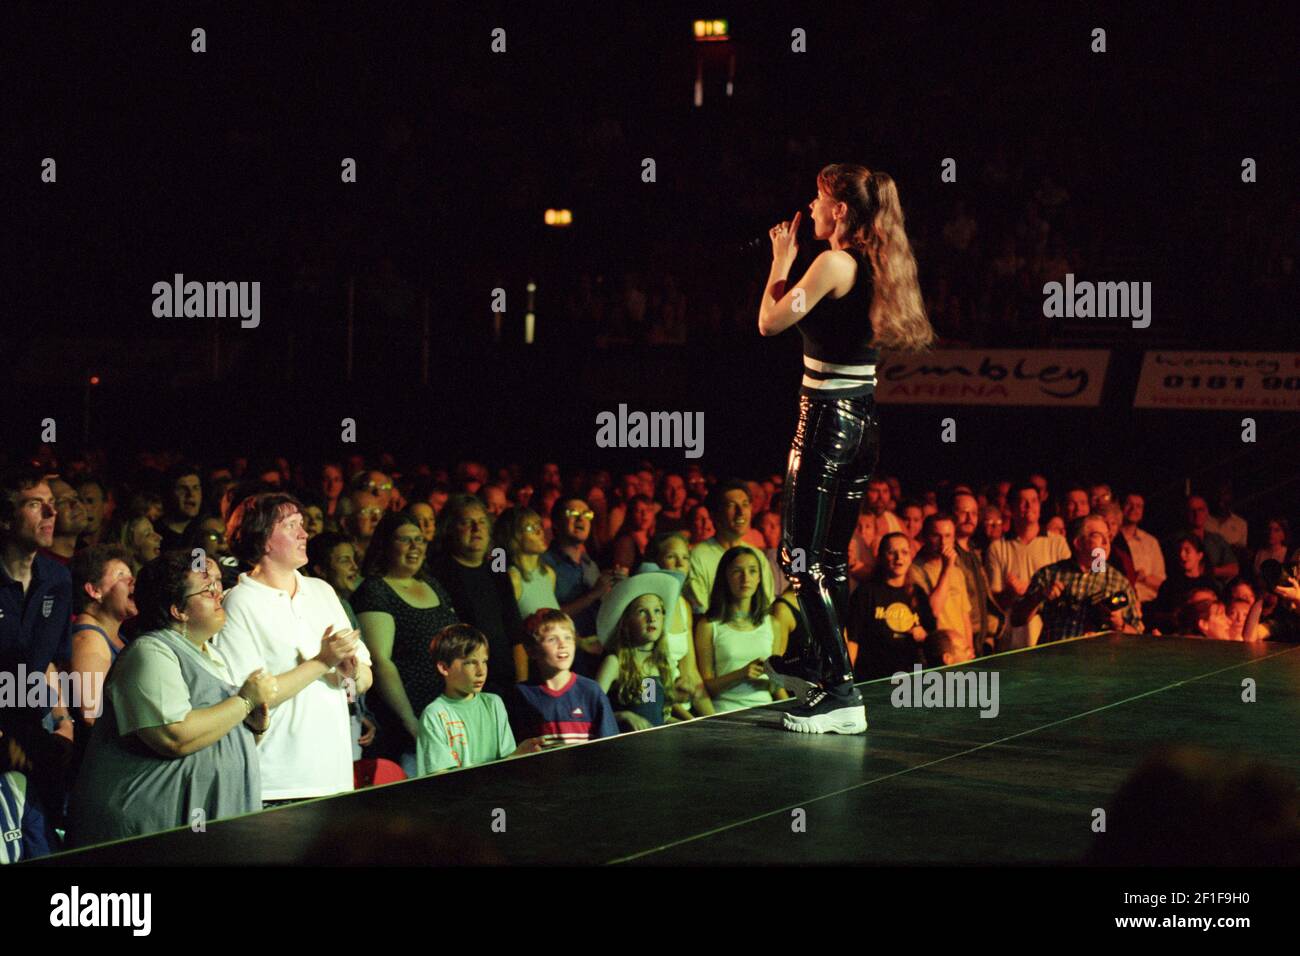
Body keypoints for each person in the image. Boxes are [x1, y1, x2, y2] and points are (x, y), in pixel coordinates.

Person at [759, 164, 935, 734]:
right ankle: (818, 657)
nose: (809, 208)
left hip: (827, 420)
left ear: (839, 211)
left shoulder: (833, 261)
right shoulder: (878, 260)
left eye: (818, 199)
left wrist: (780, 264)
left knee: (797, 558)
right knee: (829, 558)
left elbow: (769, 323)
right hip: (863, 421)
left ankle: (841, 693)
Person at [66, 552, 274, 846]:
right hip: (147, 835)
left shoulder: (211, 655)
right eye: (207, 589)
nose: (219, 595)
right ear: (178, 609)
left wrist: (250, 727)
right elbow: (174, 735)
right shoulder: (150, 651)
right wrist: (243, 703)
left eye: (218, 585)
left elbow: (209, 740)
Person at [217, 493, 372, 804]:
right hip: (277, 782)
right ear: (263, 540)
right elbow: (250, 697)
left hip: (335, 776)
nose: (304, 534)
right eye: (291, 526)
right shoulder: (240, 601)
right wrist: (322, 661)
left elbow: (366, 676)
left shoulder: (321, 591)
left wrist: (351, 671)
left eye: (302, 525)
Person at [353, 513, 458, 776]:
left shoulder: (432, 584)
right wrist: (410, 720)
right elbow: (380, 660)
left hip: (445, 712)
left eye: (420, 540)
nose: (415, 547)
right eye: (405, 540)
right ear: (386, 545)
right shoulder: (375, 590)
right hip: (406, 719)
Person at [0, 469, 74, 820]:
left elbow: (50, 662)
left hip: (37, 730)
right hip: (6, 735)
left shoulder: (58, 579)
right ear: (5, 518)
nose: (51, 513)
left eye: (52, 504)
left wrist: (63, 720)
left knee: (45, 840)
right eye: (35, 504)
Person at [427, 494, 528, 697]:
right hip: (463, 686)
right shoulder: (438, 572)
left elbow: (515, 632)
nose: (477, 528)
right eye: (467, 522)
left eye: (482, 522)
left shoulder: (497, 570)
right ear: (450, 528)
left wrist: (522, 685)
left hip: (505, 682)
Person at [416, 624, 545, 775]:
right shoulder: (435, 715)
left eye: (484, 661)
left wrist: (518, 755)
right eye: (470, 662)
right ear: (444, 668)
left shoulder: (493, 703)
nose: (481, 671)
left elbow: (508, 765)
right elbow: (443, 782)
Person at [1011, 515, 1143, 643]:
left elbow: (1138, 636)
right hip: (1054, 660)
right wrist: (1039, 596)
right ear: (1078, 543)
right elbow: (1016, 619)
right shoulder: (1050, 574)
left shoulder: (1119, 582)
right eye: (1098, 535)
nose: (1106, 542)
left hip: (1099, 661)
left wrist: (1119, 625)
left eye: (1108, 536)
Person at [695, 547, 788, 713]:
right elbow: (706, 687)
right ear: (725, 577)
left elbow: (776, 686)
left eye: (752, 571)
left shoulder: (772, 624)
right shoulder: (709, 625)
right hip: (726, 712)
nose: (746, 578)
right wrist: (742, 674)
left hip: (765, 712)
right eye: (737, 571)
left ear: (760, 577)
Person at [505, 609, 619, 745]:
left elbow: (610, 745)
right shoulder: (521, 695)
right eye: (552, 639)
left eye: (568, 637)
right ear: (531, 650)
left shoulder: (591, 691)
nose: (563, 644)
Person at [595, 572, 683, 730]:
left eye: (657, 611)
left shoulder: (659, 663)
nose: (652, 618)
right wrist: (624, 715)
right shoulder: (614, 662)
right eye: (642, 611)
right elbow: (592, 709)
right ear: (626, 622)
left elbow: (654, 717)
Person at [846, 533, 935, 680]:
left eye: (904, 552)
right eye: (892, 552)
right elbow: (852, 640)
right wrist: (848, 680)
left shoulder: (918, 593)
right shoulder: (866, 593)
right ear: (881, 557)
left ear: (911, 556)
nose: (899, 558)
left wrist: (923, 634)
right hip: (874, 678)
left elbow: (932, 635)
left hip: (910, 677)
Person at [67, 545, 137, 730]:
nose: (133, 581)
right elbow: (92, 714)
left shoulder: (115, 635)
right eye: (121, 575)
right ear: (94, 590)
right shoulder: (89, 640)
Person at [683, 482, 774, 615]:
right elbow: (702, 609)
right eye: (731, 505)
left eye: (745, 504)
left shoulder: (757, 555)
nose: (741, 512)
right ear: (715, 514)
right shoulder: (698, 557)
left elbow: (767, 604)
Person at [646, 533, 711, 716]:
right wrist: (687, 718)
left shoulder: (684, 605)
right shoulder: (645, 609)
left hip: (683, 709)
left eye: (685, 557)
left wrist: (713, 719)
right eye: (671, 557)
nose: (680, 564)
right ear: (656, 562)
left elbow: (691, 673)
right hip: (654, 712)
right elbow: (645, 684)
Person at [494, 507, 560, 620]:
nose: (539, 532)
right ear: (513, 537)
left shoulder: (549, 573)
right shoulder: (512, 578)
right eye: (529, 528)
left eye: (539, 525)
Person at [155, 464, 203, 552]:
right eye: (183, 489)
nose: (191, 494)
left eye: (195, 488)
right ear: (169, 493)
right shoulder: (156, 535)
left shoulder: (205, 528)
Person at [40, 477, 87, 566]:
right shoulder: (40, 567)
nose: (75, 503)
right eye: (62, 501)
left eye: (75, 497)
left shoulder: (86, 560)